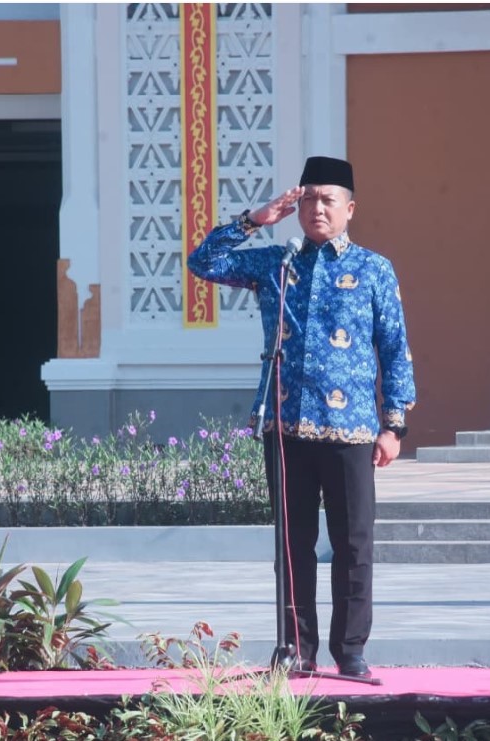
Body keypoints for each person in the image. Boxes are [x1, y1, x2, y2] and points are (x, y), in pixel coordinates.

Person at [187, 156, 416, 678]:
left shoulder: (374, 269)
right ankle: (296, 650)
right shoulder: (277, 263)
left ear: (349, 209)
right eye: (308, 198)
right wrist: (253, 220)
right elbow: (203, 262)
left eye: (327, 199)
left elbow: (395, 348)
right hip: (286, 424)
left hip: (353, 429)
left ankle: (351, 650)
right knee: (292, 546)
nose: (316, 208)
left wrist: (394, 423)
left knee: (354, 543)